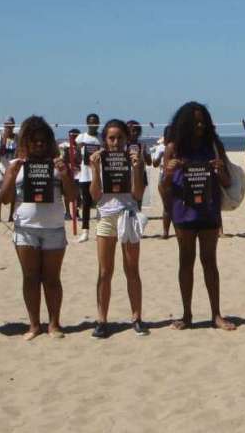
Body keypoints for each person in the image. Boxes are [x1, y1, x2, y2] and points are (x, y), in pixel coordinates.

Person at [0, 116, 76, 340]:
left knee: (52, 278)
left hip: (53, 227)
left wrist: (64, 175)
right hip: (25, 229)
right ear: (26, 143)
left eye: (43, 141)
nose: (39, 145)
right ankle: (33, 324)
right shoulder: (16, 166)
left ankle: (54, 323)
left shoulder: (57, 165)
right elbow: (4, 198)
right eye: (34, 141)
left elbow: (72, 197)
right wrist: (11, 176)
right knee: (30, 277)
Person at [161, 101, 237, 331]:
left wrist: (220, 169)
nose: (200, 125)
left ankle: (216, 314)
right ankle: (187, 314)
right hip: (183, 212)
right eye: (195, 122)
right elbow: (163, 186)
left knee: (209, 262)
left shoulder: (213, 146)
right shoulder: (173, 148)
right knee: (186, 262)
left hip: (208, 210)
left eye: (203, 121)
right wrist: (168, 171)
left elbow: (228, 182)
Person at [89, 119, 148, 337]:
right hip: (106, 216)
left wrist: (137, 167)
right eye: (111, 138)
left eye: (120, 138)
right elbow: (95, 196)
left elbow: (138, 194)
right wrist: (95, 169)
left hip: (128, 215)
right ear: (105, 139)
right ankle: (102, 319)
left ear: (127, 139)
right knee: (105, 271)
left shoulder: (133, 159)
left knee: (132, 269)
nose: (115, 142)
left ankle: (136, 317)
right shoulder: (99, 159)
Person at [75, 113, 102, 243]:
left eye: (95, 122)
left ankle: (99, 229)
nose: (93, 124)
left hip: (98, 174)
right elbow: (76, 154)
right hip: (85, 174)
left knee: (100, 203)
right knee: (85, 203)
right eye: (91, 122)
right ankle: (85, 231)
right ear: (87, 123)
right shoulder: (81, 137)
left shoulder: (101, 138)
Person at [0, 117, 17, 223]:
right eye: (7, 125)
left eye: (10, 125)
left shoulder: (17, 137)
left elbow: (17, 151)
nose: (9, 127)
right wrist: (4, 141)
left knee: (14, 192)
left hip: (13, 167)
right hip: (2, 167)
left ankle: (11, 216)